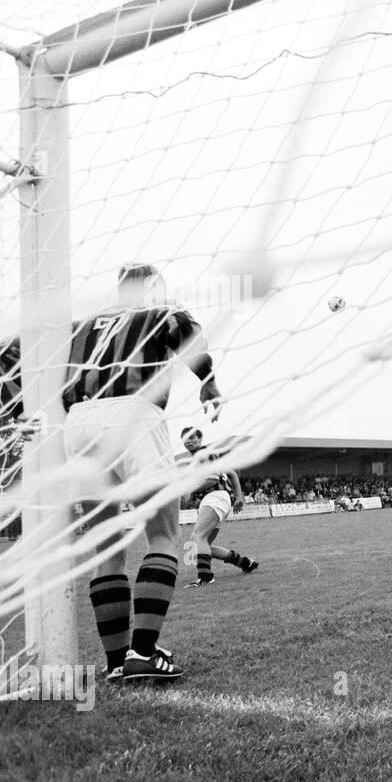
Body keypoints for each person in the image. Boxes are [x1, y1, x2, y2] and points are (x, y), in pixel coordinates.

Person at [62, 262, 222, 684]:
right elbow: (188, 335)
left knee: (108, 546)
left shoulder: (83, 324)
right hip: (133, 415)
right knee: (164, 533)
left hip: (77, 424)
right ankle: (144, 653)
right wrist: (208, 380)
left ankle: (116, 661)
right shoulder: (158, 310)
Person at [180, 427, 259, 587]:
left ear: (200, 440)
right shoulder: (204, 457)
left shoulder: (204, 453)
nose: (188, 441)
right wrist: (238, 496)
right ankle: (245, 563)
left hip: (215, 497)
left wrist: (190, 490)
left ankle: (205, 577)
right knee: (203, 543)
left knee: (197, 537)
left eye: (191, 437)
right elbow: (232, 474)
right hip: (219, 499)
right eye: (184, 439)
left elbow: (212, 479)